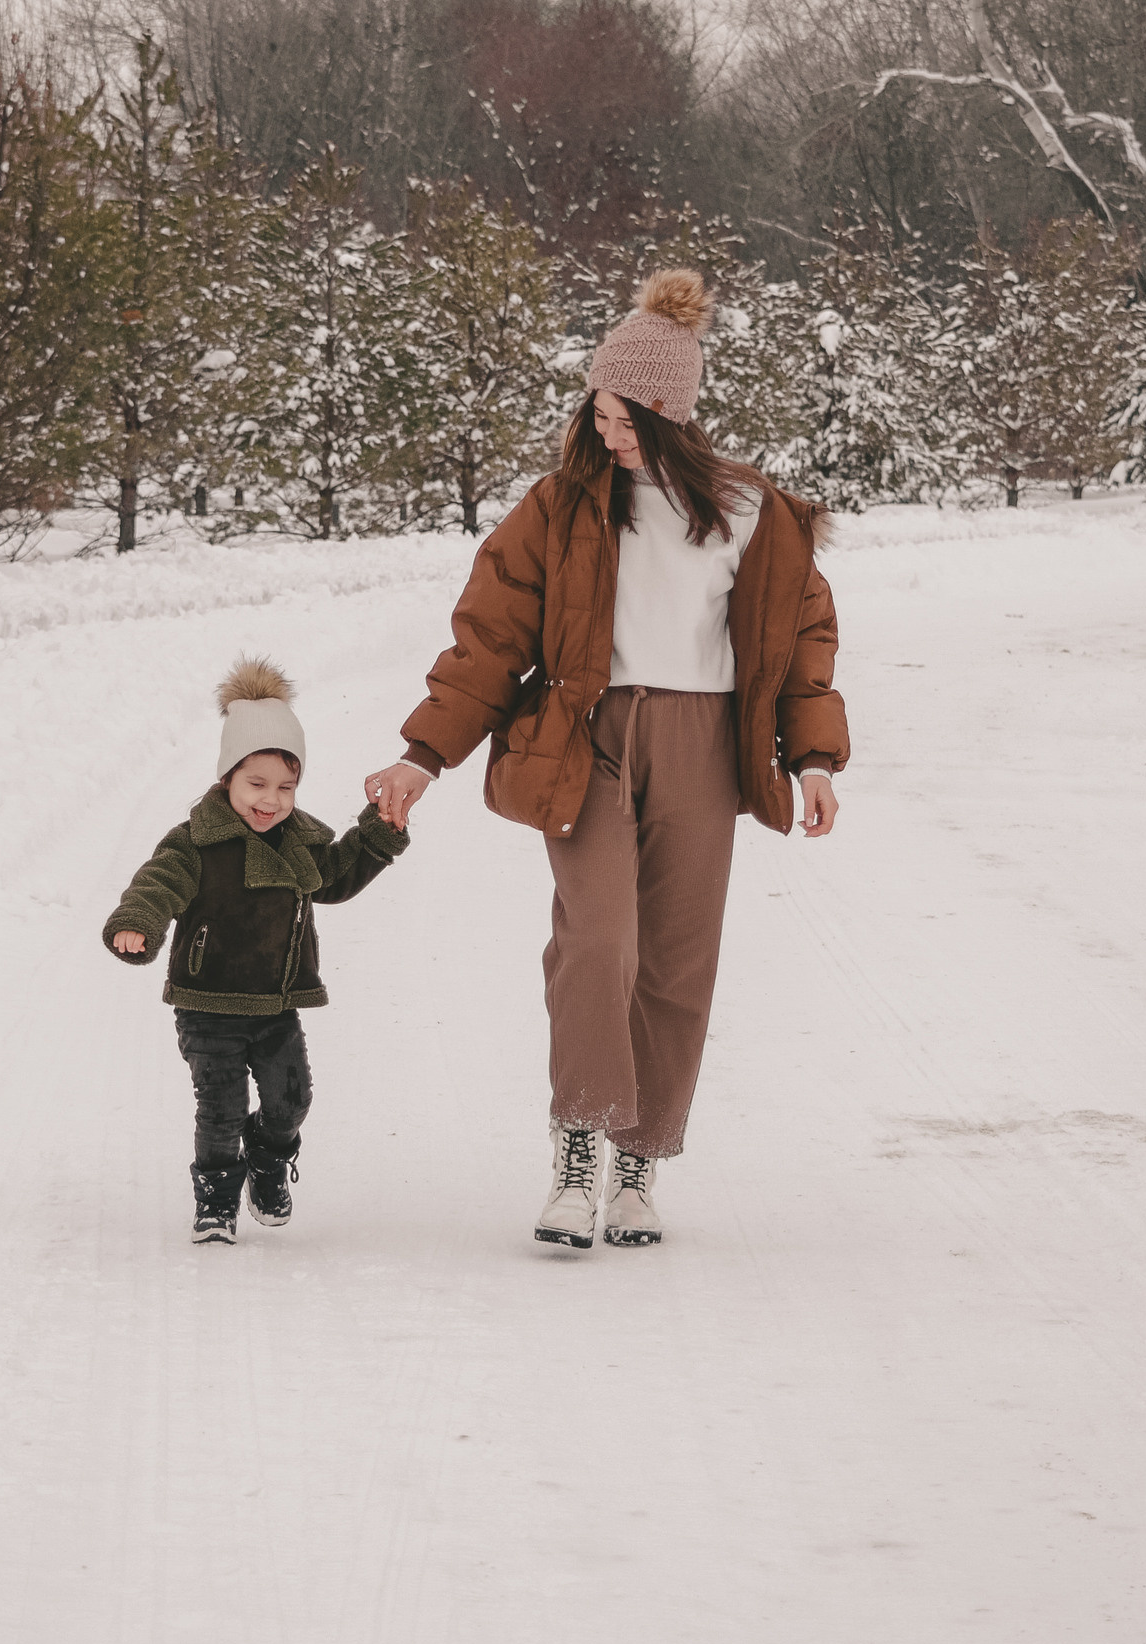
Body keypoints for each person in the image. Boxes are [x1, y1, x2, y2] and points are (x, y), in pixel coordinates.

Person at [362, 269, 847, 1251]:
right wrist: (423, 755)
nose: (606, 424)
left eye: (625, 412)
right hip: (588, 742)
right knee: (598, 941)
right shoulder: (561, 509)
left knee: (675, 960)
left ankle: (637, 1165)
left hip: (705, 747)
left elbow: (798, 650)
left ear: (672, 412)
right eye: (599, 405)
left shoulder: (754, 515)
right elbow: (488, 641)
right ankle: (577, 1143)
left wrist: (815, 761)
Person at [107, 657, 413, 1244]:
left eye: (285, 787)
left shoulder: (299, 843)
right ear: (227, 777)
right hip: (208, 1002)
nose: (270, 800)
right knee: (219, 1109)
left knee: (291, 1101)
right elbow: (158, 881)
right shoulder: (197, 839)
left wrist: (378, 833)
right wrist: (137, 922)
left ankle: (268, 1160)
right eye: (256, 784)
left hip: (276, 1004)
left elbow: (337, 877)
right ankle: (217, 1201)